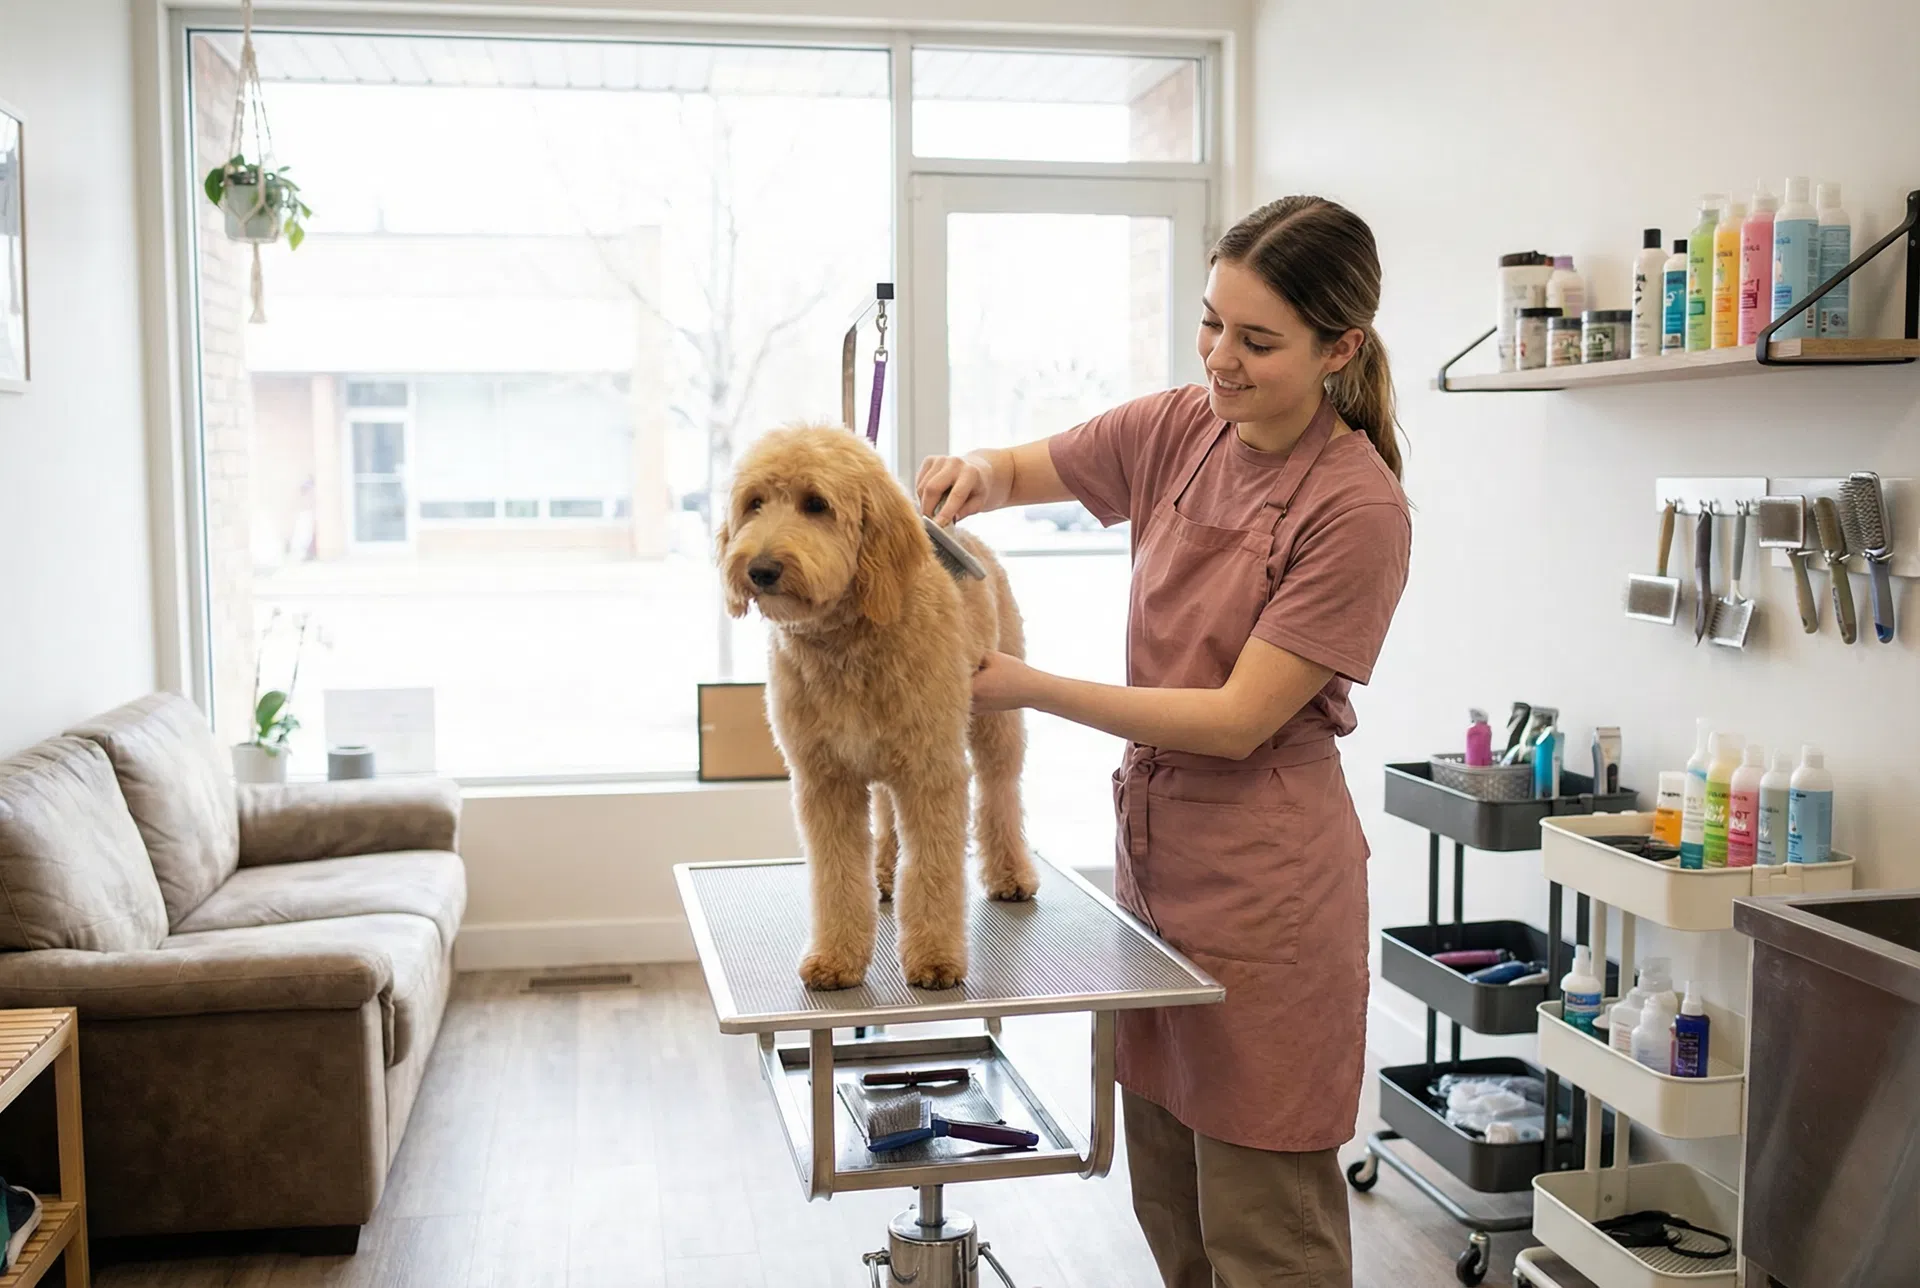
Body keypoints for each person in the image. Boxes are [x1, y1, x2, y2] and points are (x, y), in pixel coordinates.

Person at [914, 195, 1411, 1287]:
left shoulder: (1357, 508)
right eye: (1211, 323)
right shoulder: (1182, 426)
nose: (1220, 359)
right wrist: (973, 477)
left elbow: (1238, 718)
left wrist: (1020, 686)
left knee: (1263, 1234)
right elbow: (1021, 468)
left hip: (1268, 888)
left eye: (1257, 339)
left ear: (1341, 348)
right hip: (1157, 872)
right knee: (1173, 1215)